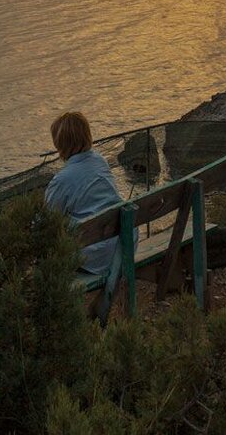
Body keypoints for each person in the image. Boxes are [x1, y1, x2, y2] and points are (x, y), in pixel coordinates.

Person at [43, 112, 132, 316]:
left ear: (61, 144)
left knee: (49, 247)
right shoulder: (100, 161)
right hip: (124, 242)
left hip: (96, 255)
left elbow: (48, 221)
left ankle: (56, 316)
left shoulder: (62, 180)